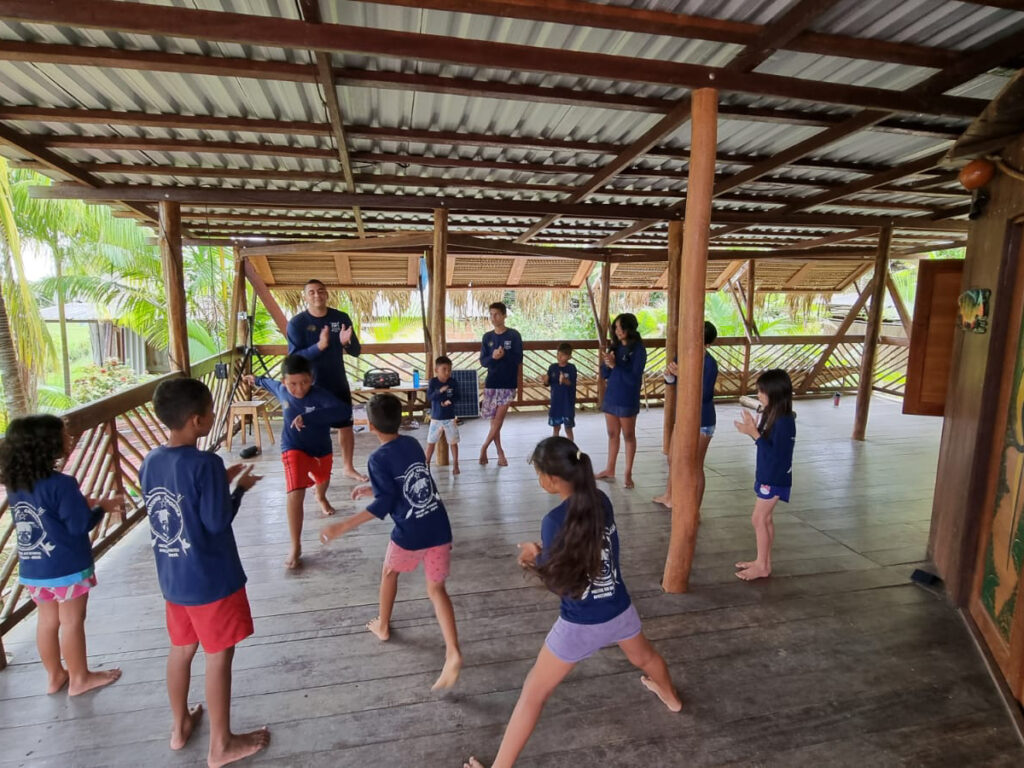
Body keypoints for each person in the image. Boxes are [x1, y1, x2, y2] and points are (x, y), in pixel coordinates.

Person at [463, 437, 680, 768]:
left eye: (538, 474)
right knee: (646, 658)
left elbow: (563, 584)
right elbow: (584, 545)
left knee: (533, 693)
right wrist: (547, 552)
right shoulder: (602, 501)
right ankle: (672, 698)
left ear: (550, 480)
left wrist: (534, 559)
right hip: (619, 608)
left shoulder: (553, 522)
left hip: (579, 624)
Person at [140, 378, 270, 766]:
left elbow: (177, 497)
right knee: (218, 656)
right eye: (211, 412)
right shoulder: (206, 463)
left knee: (181, 650)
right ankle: (221, 745)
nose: (214, 417)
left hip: (174, 579)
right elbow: (216, 521)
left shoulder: (150, 460)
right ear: (197, 420)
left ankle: (180, 727)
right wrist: (239, 488)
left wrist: (221, 480)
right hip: (212, 580)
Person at [320, 394, 462, 691]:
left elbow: (385, 504)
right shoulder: (411, 443)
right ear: (400, 419)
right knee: (436, 589)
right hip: (437, 525)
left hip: (410, 533)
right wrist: (373, 487)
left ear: (370, 426)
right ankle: (453, 651)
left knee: (389, 572)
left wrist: (342, 526)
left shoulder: (377, 458)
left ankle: (383, 625)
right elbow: (407, 480)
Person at [0, 415, 123, 696]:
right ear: (49, 446)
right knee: (71, 622)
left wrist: (87, 503)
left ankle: (55, 676)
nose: (68, 439)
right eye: (63, 436)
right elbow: (80, 524)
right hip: (66, 567)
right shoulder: (63, 484)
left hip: (35, 569)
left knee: (47, 621)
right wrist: (102, 506)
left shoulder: (17, 484)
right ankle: (80, 678)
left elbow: (49, 513)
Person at [245, 355, 352, 569]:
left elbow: (343, 410)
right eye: (293, 383)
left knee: (322, 480)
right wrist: (254, 379)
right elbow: (268, 382)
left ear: (312, 379)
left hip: (321, 449)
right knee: (295, 491)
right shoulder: (282, 389)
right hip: (293, 447)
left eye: (304, 382)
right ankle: (295, 544)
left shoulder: (319, 395)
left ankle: (320, 497)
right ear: (284, 381)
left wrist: (310, 417)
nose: (299, 388)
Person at [286, 278, 366, 482]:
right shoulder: (297, 323)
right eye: (311, 292)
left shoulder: (340, 318)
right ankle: (315, 472)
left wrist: (347, 343)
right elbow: (294, 359)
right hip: (311, 385)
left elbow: (356, 351)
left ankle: (348, 467)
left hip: (337, 379)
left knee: (345, 424)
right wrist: (319, 346)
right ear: (305, 296)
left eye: (320, 291)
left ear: (326, 294)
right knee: (312, 426)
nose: (316, 295)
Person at [732, 369, 796, 582]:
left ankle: (762, 565)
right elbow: (766, 445)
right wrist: (751, 431)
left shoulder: (785, 422)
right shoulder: (773, 415)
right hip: (767, 473)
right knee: (765, 519)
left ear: (775, 393)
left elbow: (777, 455)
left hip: (774, 476)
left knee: (758, 518)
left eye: (762, 391)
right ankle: (764, 562)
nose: (758, 395)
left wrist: (754, 433)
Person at [654, 321, 719, 509]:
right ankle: (670, 496)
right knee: (673, 458)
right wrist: (670, 376)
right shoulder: (683, 355)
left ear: (706, 343)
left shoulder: (709, 363)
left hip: (702, 420)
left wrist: (683, 375)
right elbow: (673, 383)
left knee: (695, 466)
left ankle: (694, 510)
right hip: (683, 417)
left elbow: (704, 395)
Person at [596, 313, 647, 489]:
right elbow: (606, 374)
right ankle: (610, 468)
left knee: (628, 435)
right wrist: (607, 363)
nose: (617, 331)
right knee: (612, 433)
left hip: (627, 396)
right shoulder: (614, 347)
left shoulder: (638, 350)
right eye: (615, 328)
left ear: (629, 328)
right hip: (612, 395)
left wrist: (615, 366)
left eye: (620, 327)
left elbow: (634, 377)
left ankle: (628, 472)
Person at [479, 301, 523, 467]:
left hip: (508, 383)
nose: (493, 317)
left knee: (498, 420)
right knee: (493, 422)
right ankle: (499, 452)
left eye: (496, 314)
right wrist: (493, 357)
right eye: (491, 314)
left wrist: (504, 355)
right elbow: (483, 361)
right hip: (491, 383)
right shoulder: (487, 337)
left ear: (504, 315)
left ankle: (484, 448)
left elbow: (518, 359)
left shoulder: (513, 335)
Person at [425, 355, 461, 475]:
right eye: (444, 369)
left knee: (453, 442)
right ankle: (426, 464)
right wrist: (440, 391)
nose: (447, 372)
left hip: (450, 418)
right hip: (436, 418)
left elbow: (457, 396)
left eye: (449, 370)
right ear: (436, 370)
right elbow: (430, 397)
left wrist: (450, 401)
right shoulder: (433, 382)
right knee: (431, 442)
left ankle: (456, 464)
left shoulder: (453, 382)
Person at [541, 342, 577, 442]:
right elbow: (548, 383)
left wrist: (565, 381)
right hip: (556, 402)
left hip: (567, 403)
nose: (559, 357)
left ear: (569, 357)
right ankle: (554, 447)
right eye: (558, 354)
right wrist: (545, 380)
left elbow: (572, 383)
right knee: (556, 427)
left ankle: (571, 447)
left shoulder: (571, 368)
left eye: (563, 355)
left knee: (568, 428)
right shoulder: (552, 367)